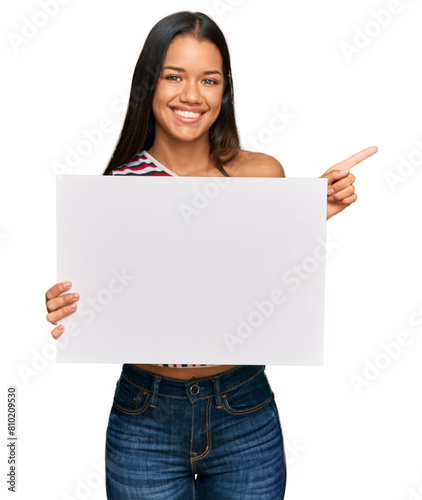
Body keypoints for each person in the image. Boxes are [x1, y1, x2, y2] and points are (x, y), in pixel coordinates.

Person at [45, 11, 378, 499]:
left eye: (209, 79)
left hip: (243, 408)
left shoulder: (261, 175)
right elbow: (119, 303)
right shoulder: (117, 191)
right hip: (146, 415)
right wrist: (67, 308)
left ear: (225, 91)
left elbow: (266, 282)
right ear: (148, 85)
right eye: (173, 76)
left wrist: (312, 215)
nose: (191, 95)